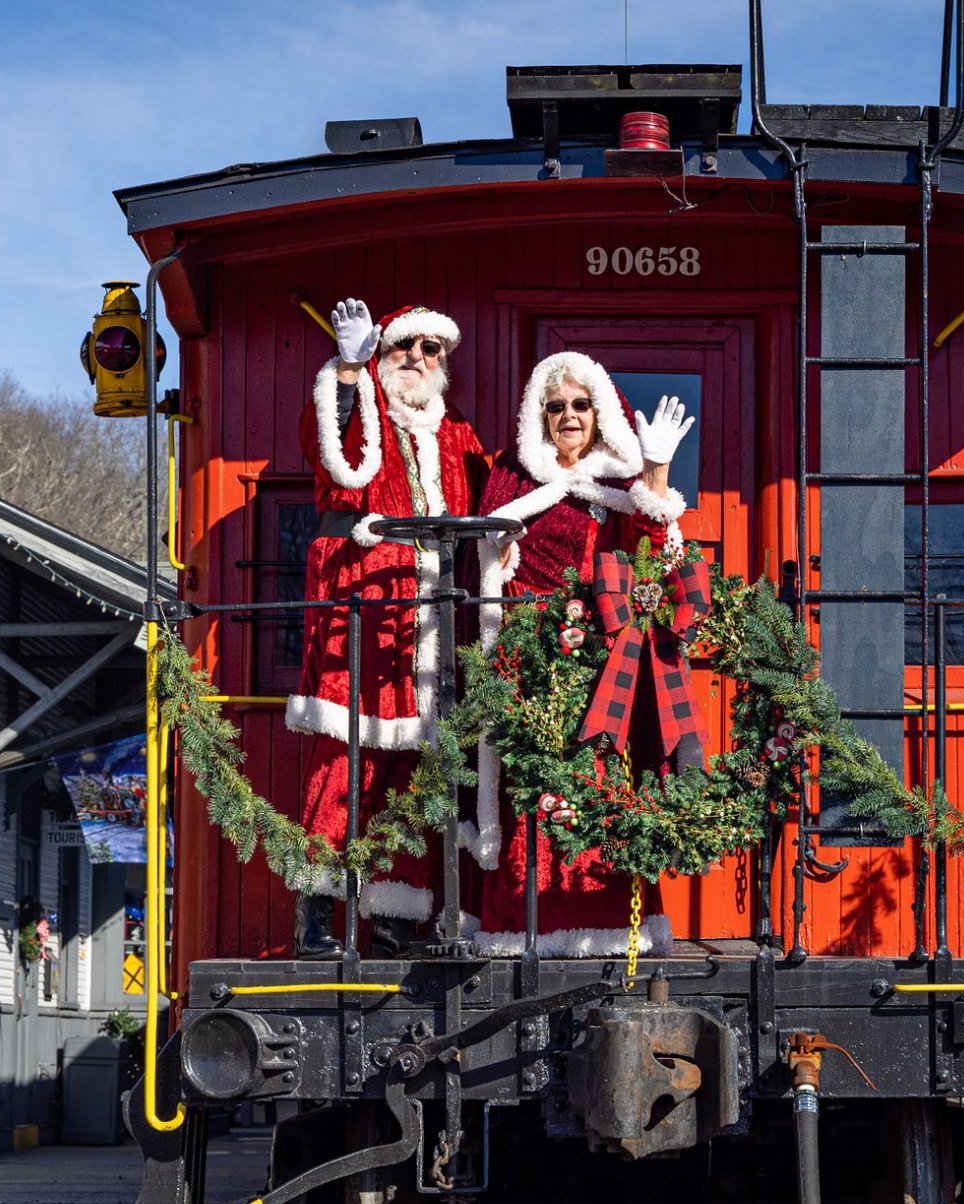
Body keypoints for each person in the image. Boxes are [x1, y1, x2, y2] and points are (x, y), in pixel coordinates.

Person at [465, 351, 695, 956]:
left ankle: (607, 924)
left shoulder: (620, 483)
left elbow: (652, 553)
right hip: (526, 659)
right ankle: (522, 927)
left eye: (580, 405)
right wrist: (502, 556)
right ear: (539, 417)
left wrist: (657, 470)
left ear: (599, 412)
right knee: (529, 785)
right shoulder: (511, 481)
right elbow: (486, 561)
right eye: (557, 407)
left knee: (597, 780)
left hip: (599, 661)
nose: (569, 416)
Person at [289, 299, 486, 956]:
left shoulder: (457, 432)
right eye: (406, 344)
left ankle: (397, 915)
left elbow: (495, 496)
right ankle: (319, 915)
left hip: (437, 616)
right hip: (366, 611)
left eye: (432, 348)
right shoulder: (361, 411)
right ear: (384, 350)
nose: (418, 358)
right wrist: (347, 369)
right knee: (346, 764)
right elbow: (325, 451)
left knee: (422, 773)